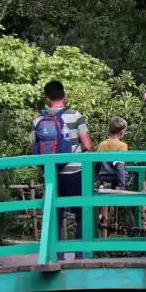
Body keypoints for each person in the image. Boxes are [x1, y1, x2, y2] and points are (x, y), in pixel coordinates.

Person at [32, 81, 89, 256]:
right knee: (82, 212)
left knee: (55, 214)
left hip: (51, 173)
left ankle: (57, 255)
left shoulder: (38, 120)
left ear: (47, 98)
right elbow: (87, 144)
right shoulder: (75, 115)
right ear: (64, 96)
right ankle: (80, 254)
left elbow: (35, 148)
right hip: (75, 172)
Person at [95, 116, 129, 188]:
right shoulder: (122, 146)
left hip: (103, 179)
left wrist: (96, 178)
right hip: (116, 180)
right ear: (122, 132)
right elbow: (120, 167)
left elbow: (97, 164)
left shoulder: (102, 144)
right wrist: (122, 186)